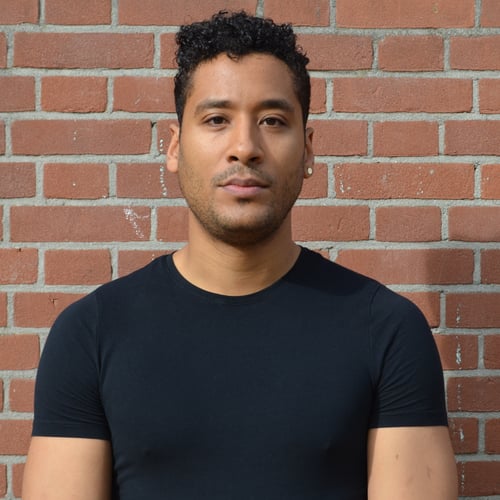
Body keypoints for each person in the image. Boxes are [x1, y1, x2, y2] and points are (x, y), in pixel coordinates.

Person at [22, 10, 458, 500]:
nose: (245, 147)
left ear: (308, 149)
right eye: (216, 120)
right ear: (175, 147)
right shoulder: (91, 334)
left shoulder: (387, 331)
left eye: (273, 120)